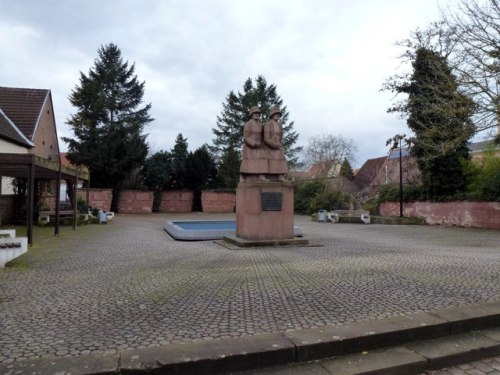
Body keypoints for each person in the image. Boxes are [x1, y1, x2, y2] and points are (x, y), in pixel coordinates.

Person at [239, 106, 269, 182]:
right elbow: (245, 137)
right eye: (255, 113)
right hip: (250, 146)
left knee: (262, 159)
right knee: (248, 161)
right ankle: (243, 176)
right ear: (251, 114)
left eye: (258, 113)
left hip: (259, 145)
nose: (257, 114)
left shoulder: (261, 125)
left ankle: (261, 175)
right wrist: (254, 143)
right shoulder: (248, 124)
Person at [264, 106, 288, 182]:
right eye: (276, 113)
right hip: (269, 146)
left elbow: (280, 137)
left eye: (279, 114)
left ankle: (280, 176)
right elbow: (266, 138)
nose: (277, 115)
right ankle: (268, 176)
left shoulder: (280, 125)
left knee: (281, 159)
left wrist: (279, 144)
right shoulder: (268, 124)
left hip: (278, 146)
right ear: (272, 114)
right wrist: (274, 145)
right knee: (270, 161)